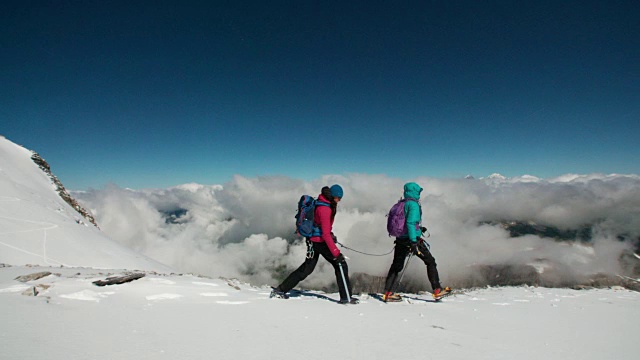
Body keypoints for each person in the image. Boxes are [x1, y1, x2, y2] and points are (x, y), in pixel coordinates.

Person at [271, 184, 358, 304]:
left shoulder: (321, 203)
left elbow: (321, 226)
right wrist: (336, 253)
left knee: (307, 268)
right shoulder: (325, 209)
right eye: (338, 198)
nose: (339, 200)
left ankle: (281, 289)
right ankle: (346, 298)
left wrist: (329, 235)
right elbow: (325, 235)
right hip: (320, 242)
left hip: (312, 240)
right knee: (341, 264)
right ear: (332, 196)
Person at [382, 182, 451, 302]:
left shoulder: (401, 203)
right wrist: (414, 241)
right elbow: (410, 223)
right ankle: (437, 290)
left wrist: (419, 229)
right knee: (430, 261)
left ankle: (388, 293)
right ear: (415, 192)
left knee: (396, 266)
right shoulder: (413, 205)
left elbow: (407, 224)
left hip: (400, 240)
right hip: (412, 240)